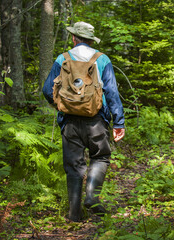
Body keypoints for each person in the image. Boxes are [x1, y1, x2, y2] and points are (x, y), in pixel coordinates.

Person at [42, 21, 125, 222]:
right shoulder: (102, 59)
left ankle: (74, 215)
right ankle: (92, 197)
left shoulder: (62, 59)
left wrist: (62, 105)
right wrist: (118, 122)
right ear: (90, 39)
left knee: (73, 166)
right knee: (101, 156)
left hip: (69, 121)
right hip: (96, 120)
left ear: (73, 38)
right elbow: (112, 92)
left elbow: (46, 90)